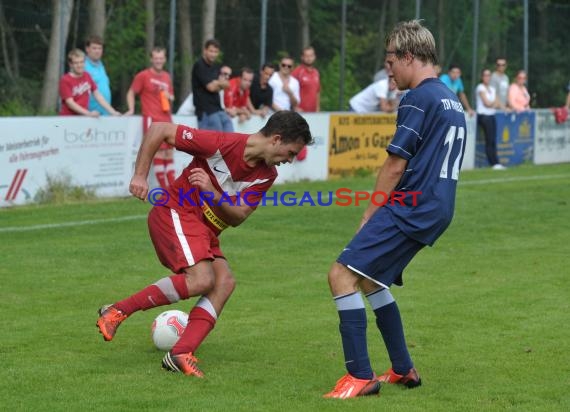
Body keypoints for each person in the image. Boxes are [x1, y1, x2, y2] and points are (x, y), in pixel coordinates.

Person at [96, 111, 313, 377]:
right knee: (201, 280)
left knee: (224, 283)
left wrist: (213, 192)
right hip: (175, 211)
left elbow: (239, 216)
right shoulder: (221, 143)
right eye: (290, 153)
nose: (289, 161)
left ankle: (180, 353)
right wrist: (140, 176)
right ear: (277, 139)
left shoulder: (266, 175)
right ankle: (116, 311)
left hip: (204, 231)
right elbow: (160, 129)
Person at [324, 20, 467, 399]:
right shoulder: (450, 98)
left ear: (408, 56)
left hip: (412, 206)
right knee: (371, 278)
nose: (388, 70)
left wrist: (371, 212)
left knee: (340, 275)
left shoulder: (418, 98)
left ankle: (359, 377)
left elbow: (394, 164)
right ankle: (404, 369)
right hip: (437, 207)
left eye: (390, 61)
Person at [126, 47, 175, 189]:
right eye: (156, 58)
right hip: (152, 119)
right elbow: (131, 92)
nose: (158, 61)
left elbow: (171, 96)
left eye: (161, 58)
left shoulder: (166, 76)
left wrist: (168, 95)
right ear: (151, 59)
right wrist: (131, 109)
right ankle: (167, 192)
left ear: (164, 59)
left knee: (169, 153)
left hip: (166, 117)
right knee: (159, 152)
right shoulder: (143, 75)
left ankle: (173, 190)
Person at [59, 48, 120, 116]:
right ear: (70, 64)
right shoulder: (65, 80)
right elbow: (70, 103)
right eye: (76, 63)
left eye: (81, 62)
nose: (79, 65)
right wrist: (88, 113)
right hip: (68, 119)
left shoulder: (87, 76)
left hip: (83, 118)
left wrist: (112, 112)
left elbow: (98, 95)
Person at [192, 39, 233, 131]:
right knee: (214, 141)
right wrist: (218, 84)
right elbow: (210, 87)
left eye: (216, 52)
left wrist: (216, 83)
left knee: (230, 134)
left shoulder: (215, 67)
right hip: (205, 111)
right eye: (211, 51)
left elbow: (227, 84)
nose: (213, 54)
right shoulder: (199, 65)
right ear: (205, 50)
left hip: (218, 109)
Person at [476, 69, 506, 170]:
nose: (487, 77)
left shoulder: (492, 89)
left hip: (492, 115)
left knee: (493, 140)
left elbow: (497, 103)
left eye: (489, 75)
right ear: (482, 77)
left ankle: (496, 162)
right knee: (489, 140)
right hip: (484, 116)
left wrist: (493, 104)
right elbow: (487, 103)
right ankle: (493, 163)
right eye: (485, 75)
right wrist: (493, 103)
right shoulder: (480, 87)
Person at [84, 35, 112, 115]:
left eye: (100, 48)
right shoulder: (83, 66)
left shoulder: (101, 65)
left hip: (105, 114)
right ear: (87, 49)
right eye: (94, 48)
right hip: (91, 114)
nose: (97, 51)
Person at [292, 46, 321, 112]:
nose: (309, 58)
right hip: (300, 113)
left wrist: (318, 109)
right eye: (306, 56)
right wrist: (294, 107)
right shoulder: (297, 72)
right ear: (302, 57)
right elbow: (290, 90)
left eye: (311, 56)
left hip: (314, 113)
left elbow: (317, 92)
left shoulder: (316, 72)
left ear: (314, 57)